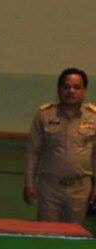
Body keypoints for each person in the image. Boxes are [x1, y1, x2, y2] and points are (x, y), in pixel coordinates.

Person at [24, 68, 96, 224]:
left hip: (81, 188)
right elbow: (33, 151)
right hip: (50, 187)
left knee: (74, 236)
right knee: (47, 235)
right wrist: (29, 183)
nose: (71, 91)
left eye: (77, 87)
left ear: (84, 91)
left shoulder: (94, 117)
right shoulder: (44, 115)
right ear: (58, 89)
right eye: (66, 86)